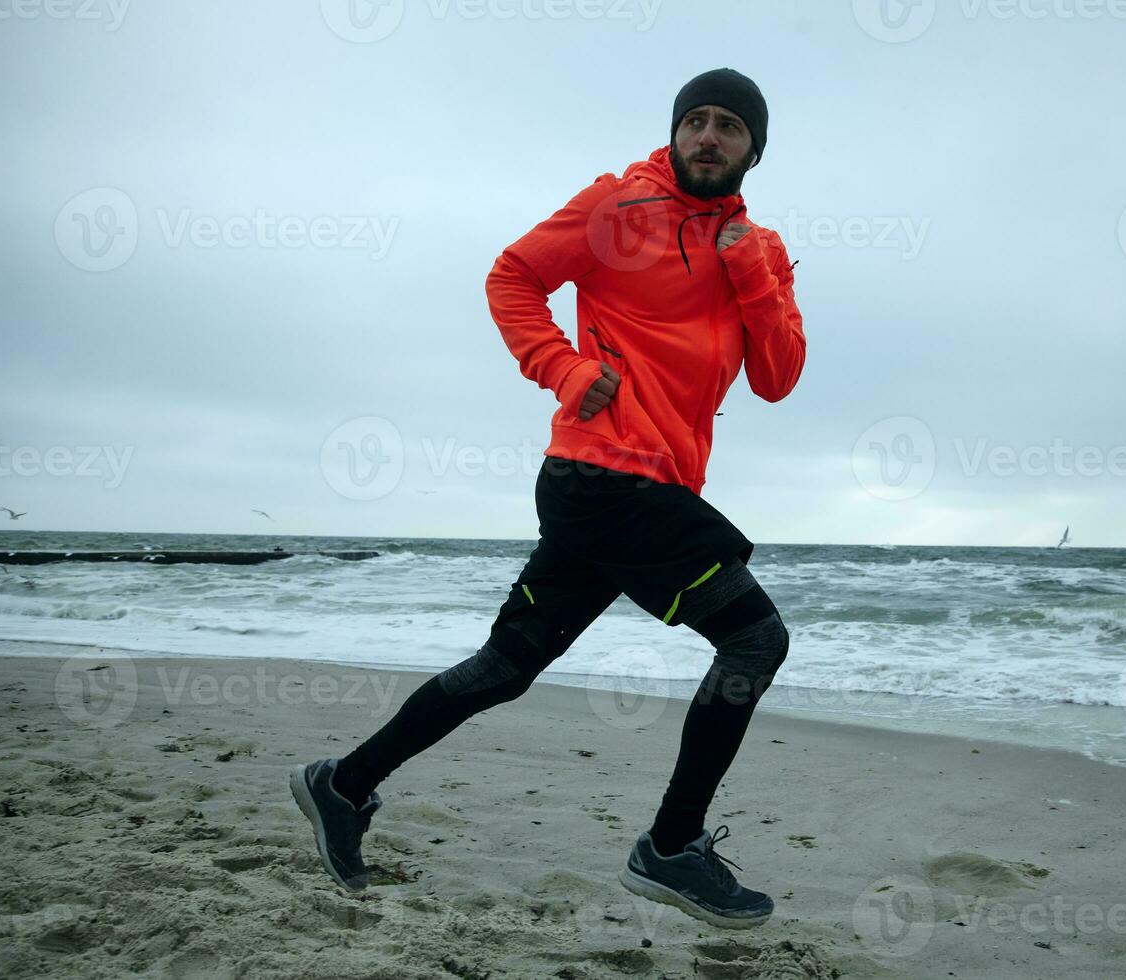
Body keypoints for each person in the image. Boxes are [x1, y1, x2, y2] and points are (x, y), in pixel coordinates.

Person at [291, 67, 805, 930]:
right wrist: (563, 368)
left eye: (729, 127)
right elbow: (512, 276)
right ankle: (671, 849)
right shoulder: (617, 207)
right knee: (755, 638)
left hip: (643, 489)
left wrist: (752, 272)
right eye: (696, 121)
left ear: (755, 147)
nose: (708, 137)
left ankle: (341, 786)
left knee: (504, 668)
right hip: (603, 473)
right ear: (676, 130)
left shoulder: (761, 247)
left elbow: (778, 378)